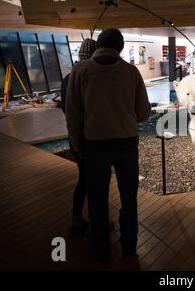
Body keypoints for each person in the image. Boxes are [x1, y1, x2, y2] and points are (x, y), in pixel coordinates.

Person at [66, 28, 151, 261]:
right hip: (126, 144)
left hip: (94, 146)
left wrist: (78, 147)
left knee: (97, 199)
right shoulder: (131, 72)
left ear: (98, 45)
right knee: (129, 198)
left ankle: (101, 248)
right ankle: (129, 246)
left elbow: (72, 115)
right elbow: (143, 113)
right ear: (121, 47)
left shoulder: (80, 71)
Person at [61, 38, 98, 234]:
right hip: (89, 138)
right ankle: (94, 222)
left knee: (85, 178)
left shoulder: (68, 78)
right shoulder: (89, 77)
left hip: (74, 136)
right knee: (92, 180)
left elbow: (67, 112)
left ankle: (78, 219)